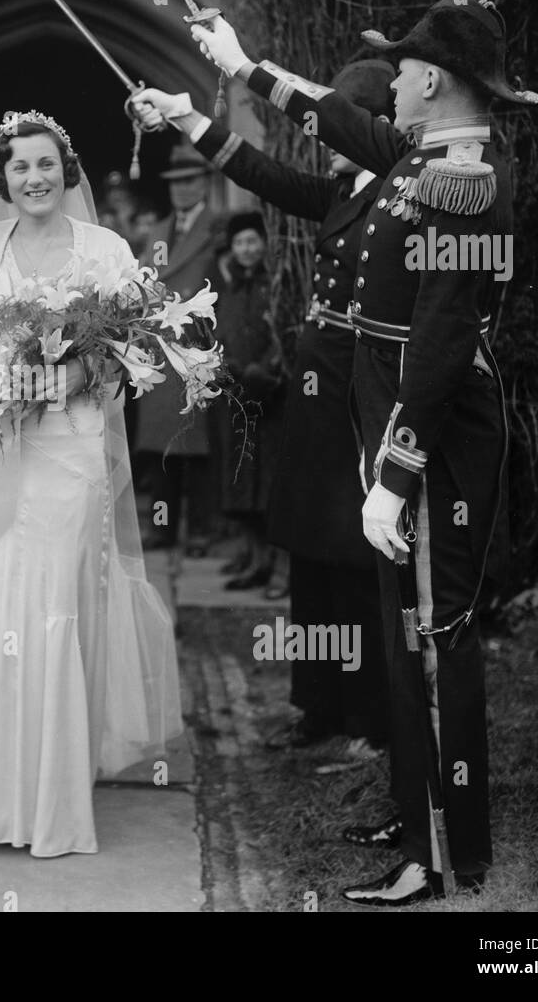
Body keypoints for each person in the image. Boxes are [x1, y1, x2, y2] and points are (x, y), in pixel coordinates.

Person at [190, 0, 538, 904]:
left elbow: (438, 344)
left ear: (432, 80)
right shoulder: (423, 157)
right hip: (394, 422)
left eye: (408, 68)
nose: (394, 83)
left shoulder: (462, 177)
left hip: (431, 439)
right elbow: (336, 118)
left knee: (432, 639)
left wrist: (394, 472)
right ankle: (419, 809)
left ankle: (437, 853)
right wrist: (244, 66)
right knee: (405, 633)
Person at [0, 111, 183, 856]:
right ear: (2, 178)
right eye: (19, 167)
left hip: (71, 451)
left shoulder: (106, 248)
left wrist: (58, 376)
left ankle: (50, 804)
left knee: (53, 605)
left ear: (67, 171)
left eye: (46, 165)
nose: (34, 178)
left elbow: (128, 355)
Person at [134, 59, 396, 767]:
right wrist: (190, 117)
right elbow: (260, 174)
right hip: (315, 407)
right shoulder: (345, 191)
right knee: (311, 557)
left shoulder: (399, 195)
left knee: (353, 560)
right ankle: (320, 707)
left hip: (359, 407)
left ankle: (373, 716)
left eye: (350, 119)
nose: (330, 139)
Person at [133, 144, 217, 553]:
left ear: (204, 183)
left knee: (195, 449)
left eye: (190, 181)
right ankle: (163, 529)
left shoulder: (218, 228)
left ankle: (199, 532)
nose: (182, 190)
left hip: (196, 347)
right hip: (159, 346)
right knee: (163, 448)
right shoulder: (158, 232)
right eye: (176, 183)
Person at [206, 210, 285, 592]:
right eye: (240, 243)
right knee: (241, 483)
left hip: (269, 398)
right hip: (236, 400)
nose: (247, 249)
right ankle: (253, 558)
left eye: (253, 241)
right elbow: (218, 335)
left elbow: (283, 336)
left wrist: (265, 368)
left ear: (264, 245)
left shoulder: (278, 285)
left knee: (270, 486)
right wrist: (227, 364)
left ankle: (278, 566)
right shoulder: (229, 289)